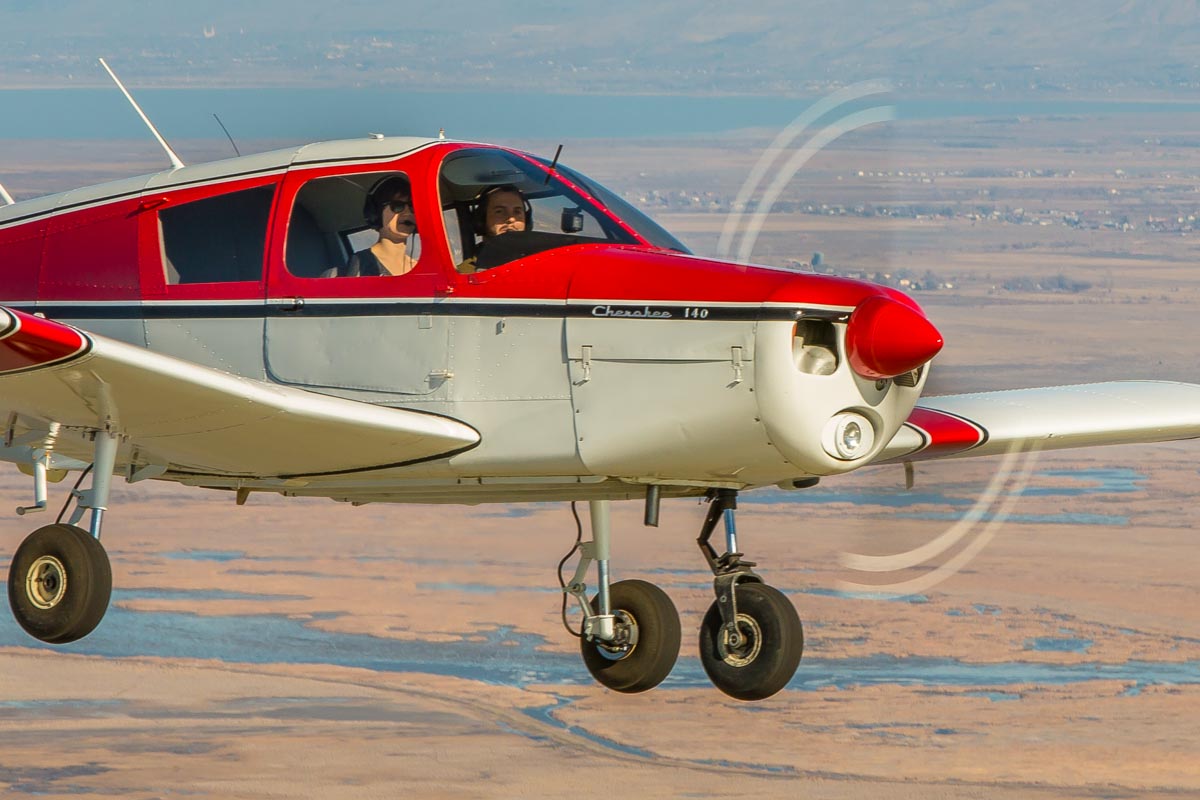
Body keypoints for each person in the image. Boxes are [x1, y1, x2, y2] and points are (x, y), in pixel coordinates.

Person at [324, 176, 418, 277]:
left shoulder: (421, 269)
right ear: (376, 213)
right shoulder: (358, 268)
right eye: (398, 205)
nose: (407, 212)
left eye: (412, 205)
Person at [456, 184, 530, 273]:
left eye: (517, 212)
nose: (511, 219)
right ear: (481, 220)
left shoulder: (540, 261)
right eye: (499, 211)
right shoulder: (467, 274)